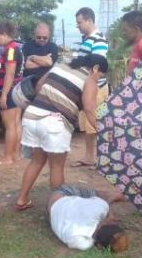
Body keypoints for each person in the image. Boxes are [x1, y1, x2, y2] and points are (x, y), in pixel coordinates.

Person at [15, 54, 108, 210]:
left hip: (32, 116)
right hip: (54, 123)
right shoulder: (90, 79)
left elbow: (38, 87)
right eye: (100, 75)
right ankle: (60, 208)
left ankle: (22, 200)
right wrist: (103, 132)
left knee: (37, 161)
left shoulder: (60, 66)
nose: (98, 79)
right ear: (96, 68)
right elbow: (89, 109)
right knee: (57, 166)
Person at [72, 7, 109, 168]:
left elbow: (97, 65)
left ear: (89, 20)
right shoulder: (88, 39)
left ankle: (102, 158)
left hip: (96, 87)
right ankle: (89, 157)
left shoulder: (98, 40)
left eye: (80, 22)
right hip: (88, 86)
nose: (78, 26)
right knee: (89, 124)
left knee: (95, 122)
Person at [48, 185, 127, 252]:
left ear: (108, 223)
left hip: (62, 194)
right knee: (97, 201)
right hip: (52, 210)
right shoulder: (82, 243)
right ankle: (113, 197)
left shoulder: (99, 209)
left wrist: (110, 214)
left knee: (101, 195)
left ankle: (113, 196)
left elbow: (104, 203)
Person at [0, 21, 24, 165]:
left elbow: (10, 74)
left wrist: (4, 94)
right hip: (15, 89)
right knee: (16, 123)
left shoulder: (11, 50)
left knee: (10, 125)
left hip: (11, 89)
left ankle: (8, 157)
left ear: (5, 34)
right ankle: (16, 154)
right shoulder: (13, 48)